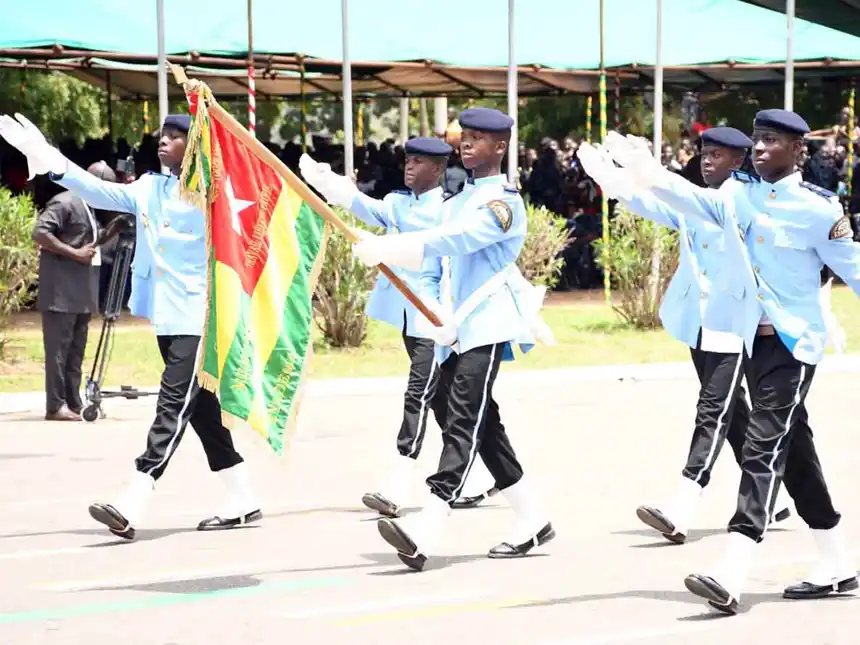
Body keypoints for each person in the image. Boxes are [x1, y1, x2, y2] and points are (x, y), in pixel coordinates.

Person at [591, 110, 860, 614]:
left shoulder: (820, 210)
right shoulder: (737, 195)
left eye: (772, 141)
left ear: (798, 150)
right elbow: (688, 201)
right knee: (795, 453)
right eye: (757, 140)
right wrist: (639, 176)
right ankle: (837, 560)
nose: (759, 149)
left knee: (761, 448)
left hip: (791, 344)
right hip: (749, 341)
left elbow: (855, 269)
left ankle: (731, 568)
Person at [0, 113, 262, 540]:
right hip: (167, 315)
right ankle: (243, 495)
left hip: (202, 317)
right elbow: (99, 191)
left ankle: (135, 496)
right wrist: (49, 159)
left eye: (177, 137)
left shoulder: (218, 196)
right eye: (163, 135)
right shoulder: (150, 188)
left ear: (194, 149)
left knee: (172, 405)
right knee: (202, 415)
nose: (164, 141)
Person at [351, 107, 555, 571]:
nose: (467, 143)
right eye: (467, 135)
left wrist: (388, 248)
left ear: (500, 147)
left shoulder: (503, 204)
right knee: (482, 424)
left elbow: (454, 241)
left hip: (486, 323)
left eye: (479, 138)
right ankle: (531, 518)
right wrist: (371, 229)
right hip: (455, 326)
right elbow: (431, 234)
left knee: (462, 419)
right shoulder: (460, 197)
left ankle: (428, 525)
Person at [600, 127, 791, 544]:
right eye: (705, 152)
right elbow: (660, 205)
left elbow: (682, 196)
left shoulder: (743, 199)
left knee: (712, 410)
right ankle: (770, 500)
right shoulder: (697, 199)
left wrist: (645, 169)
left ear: (740, 161)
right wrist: (611, 180)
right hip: (699, 319)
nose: (707, 159)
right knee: (731, 411)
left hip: (736, 319)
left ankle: (682, 504)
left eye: (718, 154)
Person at [299, 137, 494, 517]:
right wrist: (330, 184)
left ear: (438, 170)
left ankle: (398, 481)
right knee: (443, 401)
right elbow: (366, 208)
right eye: (408, 160)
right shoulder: (398, 202)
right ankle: (481, 475)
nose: (409, 166)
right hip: (408, 313)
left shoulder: (450, 210)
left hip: (434, 314)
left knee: (417, 394)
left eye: (419, 162)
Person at [32, 164, 107, 421]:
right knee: (58, 353)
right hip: (60, 293)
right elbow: (40, 232)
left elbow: (85, 243)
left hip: (81, 293)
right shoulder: (65, 202)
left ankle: (74, 401)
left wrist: (114, 231)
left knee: (75, 352)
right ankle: (55, 406)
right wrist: (74, 253)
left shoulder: (88, 207)